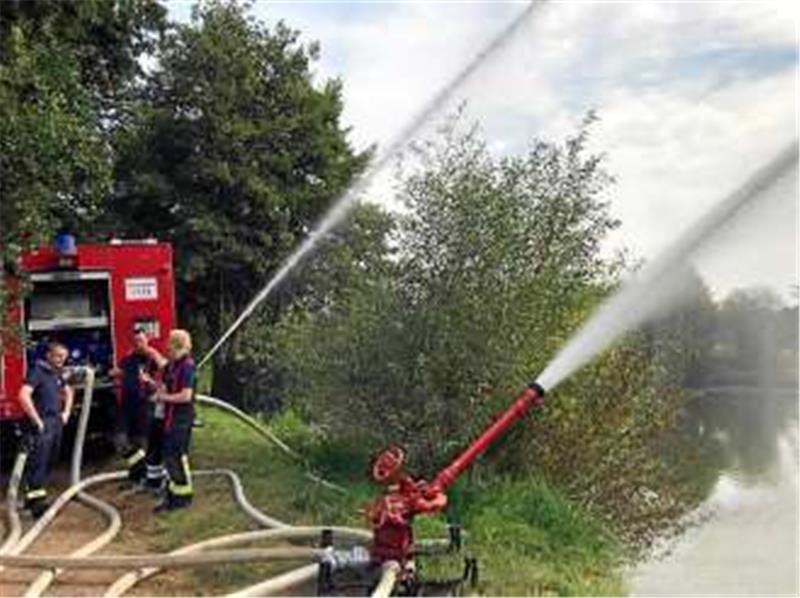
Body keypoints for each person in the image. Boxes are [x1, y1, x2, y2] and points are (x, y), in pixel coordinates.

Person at [18, 342, 74, 518]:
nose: (61, 360)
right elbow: (23, 395)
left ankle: (31, 499)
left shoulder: (57, 374)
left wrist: (66, 412)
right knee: (38, 463)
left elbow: (69, 391)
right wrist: (37, 420)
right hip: (43, 423)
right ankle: (37, 505)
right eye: (58, 356)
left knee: (50, 460)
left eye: (64, 357)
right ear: (49, 355)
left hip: (56, 421)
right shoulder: (38, 371)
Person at [110, 326, 165, 485]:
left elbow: (165, 373)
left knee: (141, 443)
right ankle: (140, 470)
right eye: (136, 341)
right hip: (127, 405)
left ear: (147, 340)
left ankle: (138, 476)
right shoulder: (128, 359)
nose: (138, 344)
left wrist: (153, 354)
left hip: (145, 405)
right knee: (120, 440)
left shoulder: (152, 359)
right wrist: (114, 373)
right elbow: (121, 372)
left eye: (141, 340)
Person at [151, 329, 196, 512]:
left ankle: (183, 497)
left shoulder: (187, 366)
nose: (166, 346)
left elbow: (186, 396)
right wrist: (156, 388)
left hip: (181, 420)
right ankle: (172, 495)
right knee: (169, 457)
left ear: (177, 345)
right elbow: (166, 383)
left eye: (169, 342)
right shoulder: (173, 365)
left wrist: (163, 398)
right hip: (170, 419)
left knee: (176, 457)